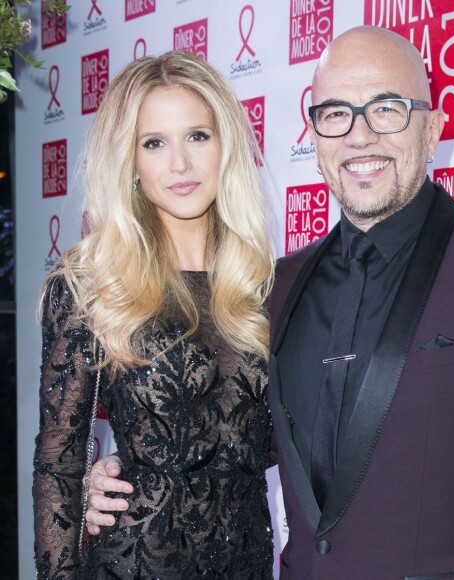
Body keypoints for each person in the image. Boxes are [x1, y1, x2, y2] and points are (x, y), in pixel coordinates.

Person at [85, 26, 454, 579]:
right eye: (336, 113)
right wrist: (128, 473)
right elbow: (248, 439)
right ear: (315, 136)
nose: (359, 136)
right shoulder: (276, 285)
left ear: (434, 128)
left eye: (387, 109)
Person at [33, 50, 276, 579]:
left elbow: (267, 443)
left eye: (197, 136)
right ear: (131, 161)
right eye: (154, 143)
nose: (180, 164)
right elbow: (57, 465)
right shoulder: (91, 285)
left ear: (225, 145)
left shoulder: (262, 287)